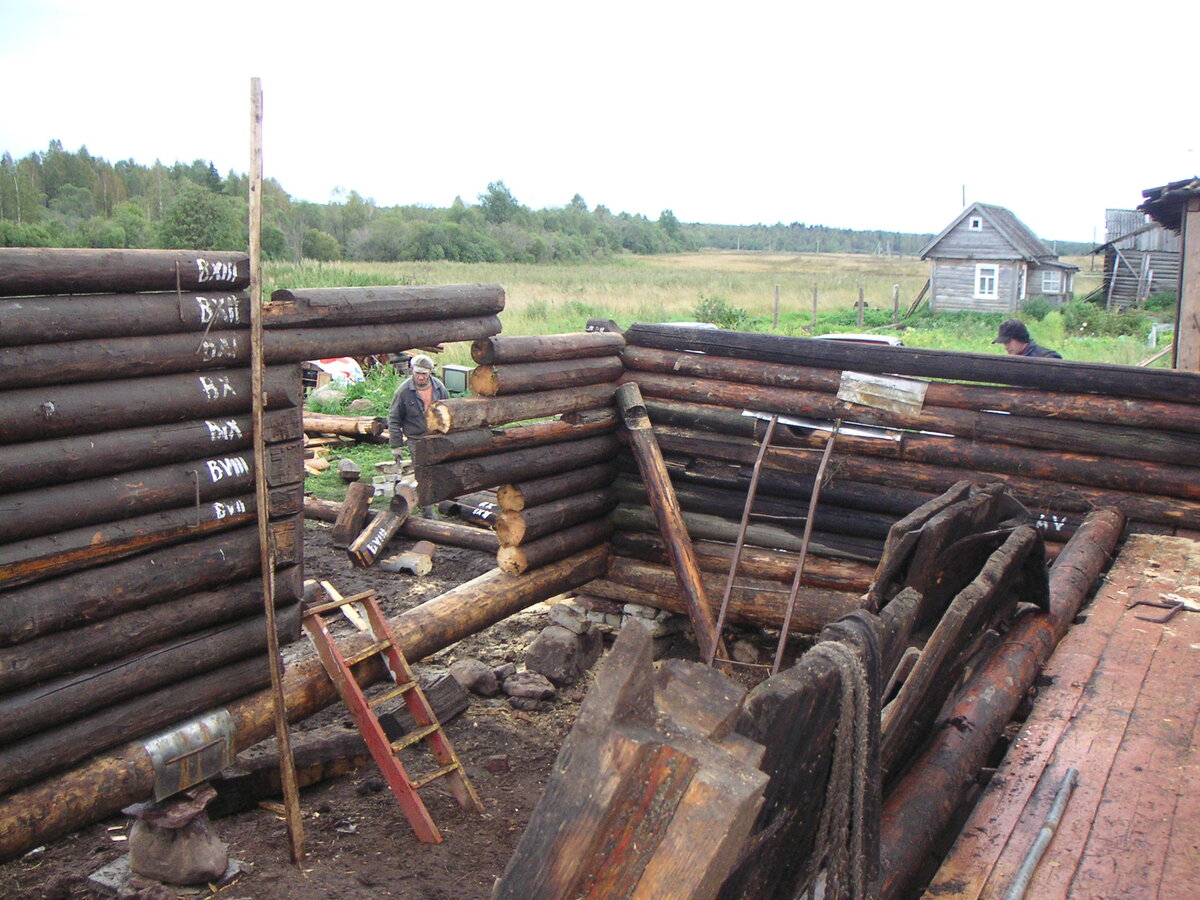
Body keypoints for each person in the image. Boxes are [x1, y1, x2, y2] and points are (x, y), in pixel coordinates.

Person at [388, 355, 448, 517]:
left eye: (424, 374)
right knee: (423, 474)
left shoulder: (439, 387)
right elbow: (394, 419)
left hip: (436, 437)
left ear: (430, 372)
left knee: (437, 471)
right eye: (418, 373)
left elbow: (449, 409)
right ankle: (427, 511)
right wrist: (396, 445)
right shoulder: (404, 391)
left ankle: (434, 500)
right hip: (416, 440)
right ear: (412, 371)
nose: (421, 377)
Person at [992, 319, 1062, 359]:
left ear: (1020, 338)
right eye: (1004, 343)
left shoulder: (1046, 356)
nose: (1006, 347)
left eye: (1008, 342)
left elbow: (1056, 361)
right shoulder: (1012, 359)